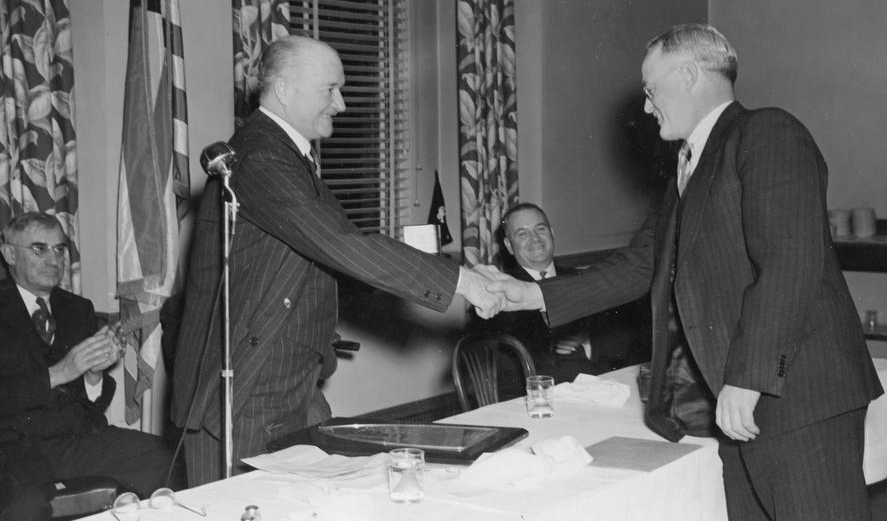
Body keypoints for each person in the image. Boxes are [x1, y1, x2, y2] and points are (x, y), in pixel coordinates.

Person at [486, 24, 883, 520]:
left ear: (690, 75)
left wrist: (749, 379)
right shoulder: (690, 166)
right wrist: (531, 296)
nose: (647, 106)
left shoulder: (766, 132)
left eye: (651, 90)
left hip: (796, 395)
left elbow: (790, 262)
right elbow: (641, 263)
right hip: (740, 401)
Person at [171, 36, 501, 486]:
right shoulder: (262, 156)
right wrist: (464, 282)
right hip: (249, 387)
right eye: (329, 90)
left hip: (287, 380)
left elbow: (334, 248)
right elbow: (341, 243)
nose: (341, 104)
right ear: (283, 90)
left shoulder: (286, 154)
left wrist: (458, 275)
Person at [0, 213, 175, 521]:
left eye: (60, 249)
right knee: (26, 503)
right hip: (14, 447)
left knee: (168, 458)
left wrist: (94, 373)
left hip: (77, 439)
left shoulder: (78, 308)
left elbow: (90, 405)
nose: (53, 259)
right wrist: (58, 373)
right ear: (10, 254)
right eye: (39, 249)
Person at [468, 202, 649, 398]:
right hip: (533, 397)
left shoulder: (585, 281)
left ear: (552, 233)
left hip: (597, 389)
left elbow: (623, 337)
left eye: (540, 229)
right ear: (509, 246)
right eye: (522, 234)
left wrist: (587, 342)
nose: (535, 238)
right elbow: (492, 360)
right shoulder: (497, 291)